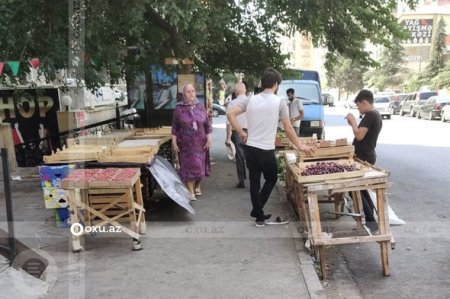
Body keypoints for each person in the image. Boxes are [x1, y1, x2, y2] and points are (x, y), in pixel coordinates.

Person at [227, 68, 316, 227]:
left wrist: (240, 132)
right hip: (266, 150)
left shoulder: (250, 100)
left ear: (262, 83)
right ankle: (257, 209)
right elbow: (289, 128)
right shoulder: (280, 102)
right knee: (271, 178)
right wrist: (300, 145)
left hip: (250, 148)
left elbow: (230, 114)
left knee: (255, 183)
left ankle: (259, 215)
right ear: (276, 84)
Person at [345, 89, 382, 232]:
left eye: (358, 106)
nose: (358, 109)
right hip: (365, 154)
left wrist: (353, 121)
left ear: (364, 102)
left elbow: (359, 135)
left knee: (357, 188)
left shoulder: (371, 115)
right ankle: (369, 218)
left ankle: (370, 220)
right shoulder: (374, 114)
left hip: (364, 156)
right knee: (360, 188)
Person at [172, 84, 212, 200]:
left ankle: (198, 186)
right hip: (185, 145)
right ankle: (190, 191)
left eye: (193, 91)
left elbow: (207, 125)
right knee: (188, 167)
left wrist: (209, 138)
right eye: (188, 92)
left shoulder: (200, 106)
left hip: (200, 143)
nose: (191, 94)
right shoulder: (178, 109)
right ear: (184, 94)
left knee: (199, 166)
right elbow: (174, 127)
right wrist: (174, 142)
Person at [226, 82, 248, 188]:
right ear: (245, 90)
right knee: (250, 158)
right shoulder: (251, 101)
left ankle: (242, 181)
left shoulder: (232, 103)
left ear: (235, 92)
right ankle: (253, 181)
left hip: (237, 134)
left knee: (239, 158)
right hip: (250, 133)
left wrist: (228, 138)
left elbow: (229, 123)